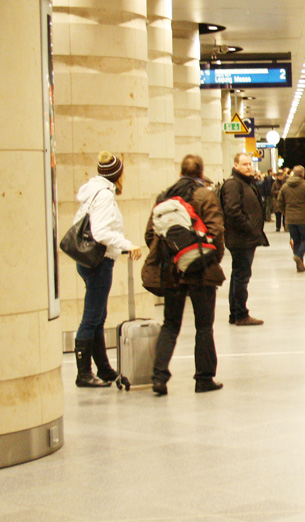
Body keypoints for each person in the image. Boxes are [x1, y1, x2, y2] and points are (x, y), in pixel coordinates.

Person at [142, 155, 225, 395]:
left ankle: (159, 377)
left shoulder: (164, 197)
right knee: (203, 326)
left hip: (171, 270)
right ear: (201, 173)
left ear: (180, 172)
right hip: (200, 270)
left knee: (171, 324)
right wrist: (208, 259)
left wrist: (172, 255)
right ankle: (204, 378)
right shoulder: (205, 195)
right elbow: (216, 231)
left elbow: (151, 234)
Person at [71, 151, 142, 388]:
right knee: (92, 317)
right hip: (99, 262)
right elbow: (100, 232)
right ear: (117, 175)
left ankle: (104, 368)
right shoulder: (104, 196)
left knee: (98, 316)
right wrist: (127, 244)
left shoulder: (92, 191)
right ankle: (84, 373)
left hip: (89, 262)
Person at [219, 152, 268, 325]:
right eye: (244, 164)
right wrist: (249, 229)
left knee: (238, 275)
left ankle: (235, 313)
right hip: (241, 239)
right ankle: (241, 314)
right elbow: (232, 211)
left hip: (245, 238)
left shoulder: (246, 183)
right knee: (242, 276)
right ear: (236, 165)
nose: (248, 167)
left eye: (249, 164)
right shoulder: (233, 184)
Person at [276, 165, 305, 272]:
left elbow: (279, 203)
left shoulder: (285, 187)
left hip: (290, 220)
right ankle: (299, 256)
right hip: (303, 219)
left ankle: (299, 266)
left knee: (296, 241)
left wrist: (286, 213)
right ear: (303, 174)